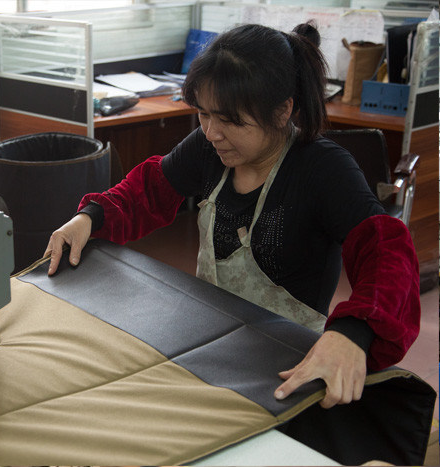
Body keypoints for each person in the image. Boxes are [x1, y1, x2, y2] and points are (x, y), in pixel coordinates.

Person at [44, 22, 420, 409]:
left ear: (282, 110)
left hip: (285, 360)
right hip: (209, 336)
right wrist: (91, 217)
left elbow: (387, 252)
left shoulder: (322, 170)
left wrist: (353, 332)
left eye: (229, 120)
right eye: (204, 114)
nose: (211, 132)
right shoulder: (208, 149)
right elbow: (150, 189)